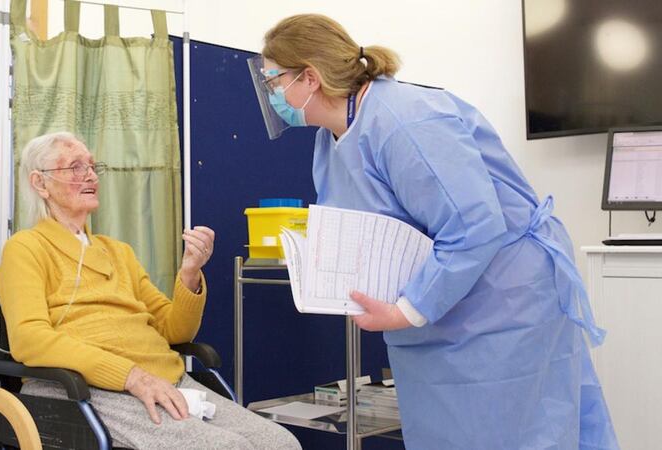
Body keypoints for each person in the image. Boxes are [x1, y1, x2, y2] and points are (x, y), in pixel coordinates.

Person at [249, 14, 619, 450]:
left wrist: (409, 309)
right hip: (435, 315)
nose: (272, 95)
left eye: (274, 81)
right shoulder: (332, 139)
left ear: (310, 77)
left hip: (500, 303)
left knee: (515, 433)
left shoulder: (405, 121)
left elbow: (474, 225)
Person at [0, 132, 301, 450]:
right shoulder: (26, 248)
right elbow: (29, 339)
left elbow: (174, 331)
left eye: (92, 166)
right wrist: (131, 376)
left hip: (164, 378)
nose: (90, 176)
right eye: (75, 167)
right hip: (84, 387)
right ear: (40, 183)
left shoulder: (118, 252)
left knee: (281, 443)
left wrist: (189, 273)